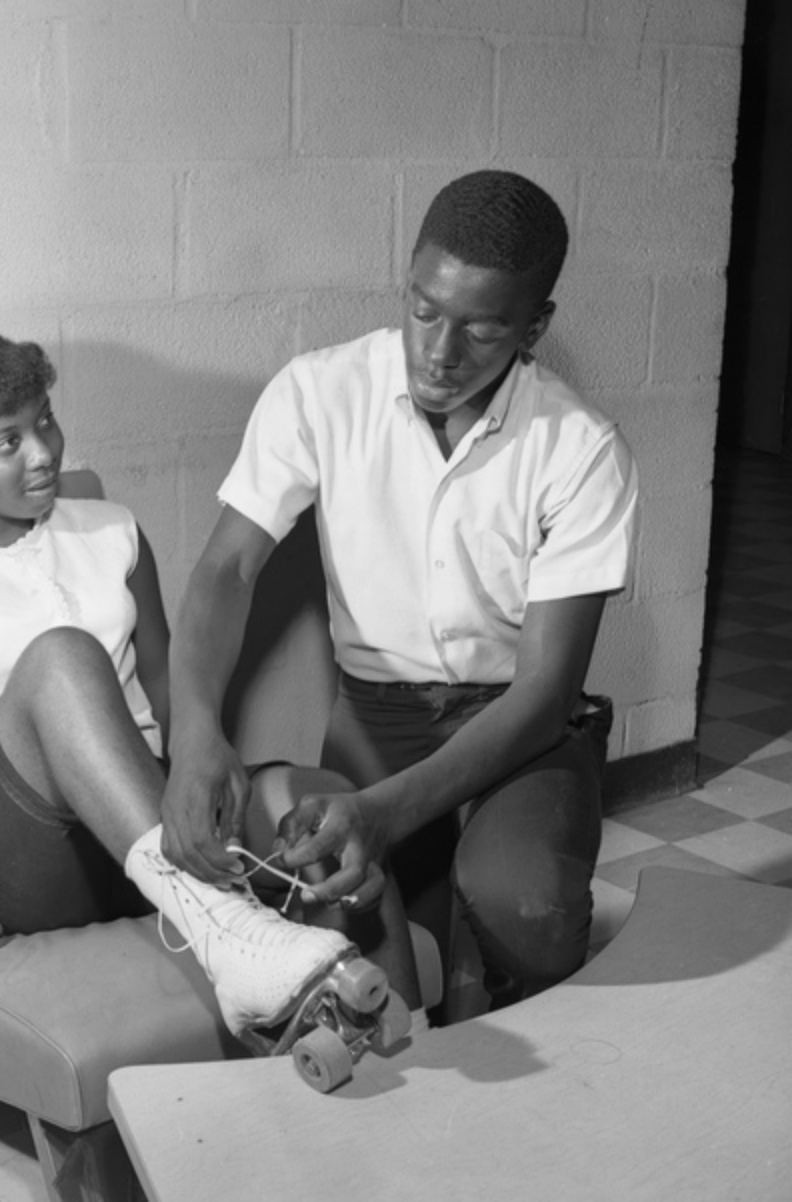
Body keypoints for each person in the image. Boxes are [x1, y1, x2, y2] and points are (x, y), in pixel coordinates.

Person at [0, 311, 417, 1039]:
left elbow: (166, 688)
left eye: (45, 422)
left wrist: (205, 759)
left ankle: (406, 1047)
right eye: (8, 441)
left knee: (321, 805)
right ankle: (225, 928)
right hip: (13, 861)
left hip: (138, 829)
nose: (41, 453)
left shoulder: (112, 529)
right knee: (62, 656)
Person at [162, 170, 639, 1013]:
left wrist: (385, 813)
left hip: (519, 728)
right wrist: (196, 730)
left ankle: (524, 1033)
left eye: (482, 330)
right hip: (376, 715)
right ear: (408, 279)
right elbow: (226, 570)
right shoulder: (319, 391)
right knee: (345, 923)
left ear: (535, 327)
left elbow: (543, 690)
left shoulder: (581, 448)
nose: (439, 353)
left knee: (518, 905)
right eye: (423, 310)